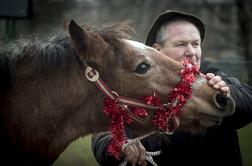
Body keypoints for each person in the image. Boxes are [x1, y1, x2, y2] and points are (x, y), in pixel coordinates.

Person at [91, 10, 252, 166]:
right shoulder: (137, 87)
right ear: (157, 50)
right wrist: (120, 143)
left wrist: (226, 94)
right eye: (181, 44)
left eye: (196, 44)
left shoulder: (211, 76)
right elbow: (104, 131)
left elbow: (248, 101)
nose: (191, 52)